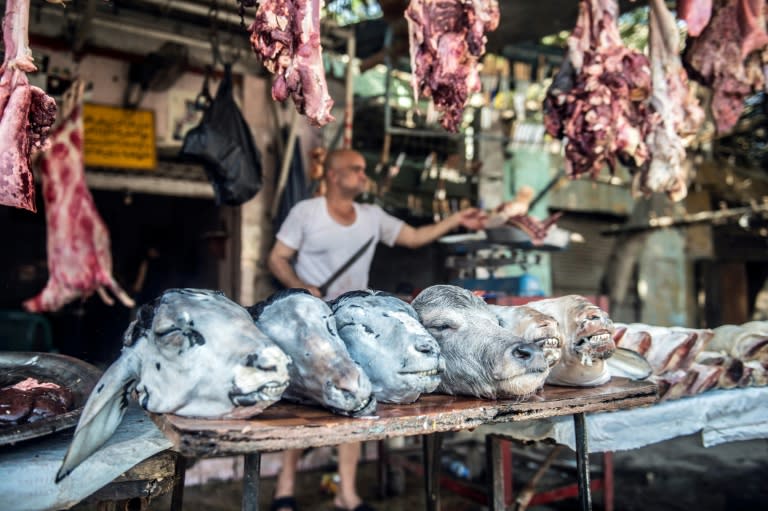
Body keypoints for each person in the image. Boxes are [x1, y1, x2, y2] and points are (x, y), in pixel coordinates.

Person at [267, 148, 486, 511]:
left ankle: (347, 494)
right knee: (300, 401)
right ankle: (284, 491)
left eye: (363, 169)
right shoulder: (306, 212)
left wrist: (457, 219)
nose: (363, 175)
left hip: (355, 325)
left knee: (358, 399)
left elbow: (415, 237)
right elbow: (276, 258)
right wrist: (301, 285)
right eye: (355, 169)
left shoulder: (372, 217)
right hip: (312, 322)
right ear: (334, 176)